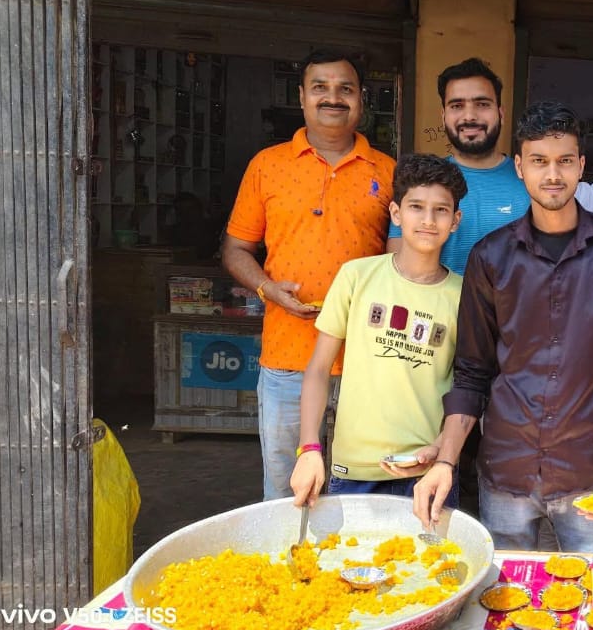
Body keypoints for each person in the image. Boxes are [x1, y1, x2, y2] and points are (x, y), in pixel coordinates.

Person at [411, 101, 593, 554]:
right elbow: (471, 372)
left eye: (564, 161)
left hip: (592, 469)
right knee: (506, 592)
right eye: (540, 161)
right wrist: (446, 461)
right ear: (520, 167)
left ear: (581, 166)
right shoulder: (490, 256)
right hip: (507, 467)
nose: (553, 174)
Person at [223, 49, 398, 501]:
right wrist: (267, 288)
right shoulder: (267, 165)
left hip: (365, 363)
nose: (332, 98)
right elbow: (236, 249)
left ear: (361, 99)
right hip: (288, 360)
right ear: (301, 97)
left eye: (345, 89)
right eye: (320, 87)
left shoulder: (388, 171)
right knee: (287, 493)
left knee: (357, 493)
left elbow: (401, 263)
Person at [288, 154, 465, 505]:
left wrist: (442, 449)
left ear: (455, 221)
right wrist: (309, 448)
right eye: (416, 207)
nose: (428, 220)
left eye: (441, 210)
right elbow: (318, 369)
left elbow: (467, 386)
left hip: (427, 472)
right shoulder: (356, 277)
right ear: (396, 214)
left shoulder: (465, 296)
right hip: (353, 470)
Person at [389, 57, 529, 274]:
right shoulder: (420, 180)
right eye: (457, 106)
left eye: (482, 104)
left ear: (501, 113)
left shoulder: (530, 182)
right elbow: (398, 274)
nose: (470, 116)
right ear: (443, 116)